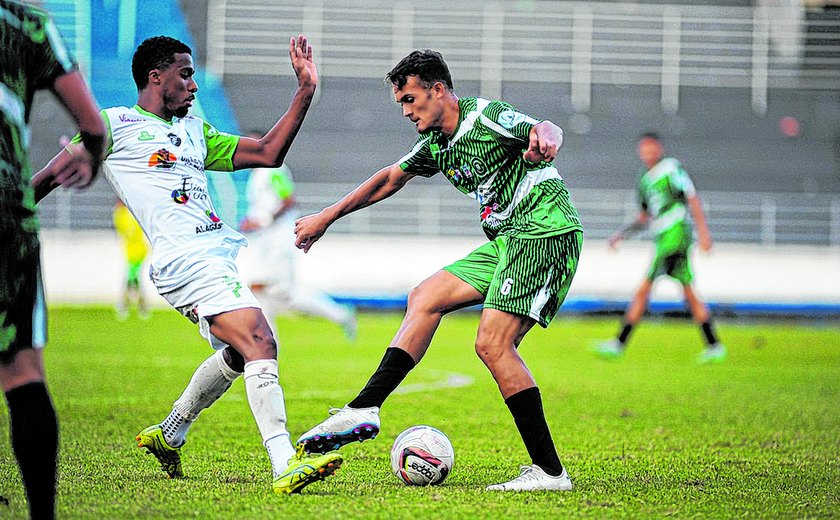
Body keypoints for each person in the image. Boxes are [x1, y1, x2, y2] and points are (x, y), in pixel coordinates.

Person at [33, 35, 341, 495]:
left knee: (241, 351)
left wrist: (304, 91)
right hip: (183, 260)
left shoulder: (195, 130)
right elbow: (42, 181)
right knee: (261, 339)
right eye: (185, 73)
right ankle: (283, 462)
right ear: (156, 78)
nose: (194, 84)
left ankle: (171, 429)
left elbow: (267, 153)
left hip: (216, 256)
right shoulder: (113, 125)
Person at [293, 50, 583, 491]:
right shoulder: (436, 145)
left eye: (411, 100)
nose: (407, 112)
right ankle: (364, 408)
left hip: (544, 230)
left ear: (438, 90)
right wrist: (325, 218)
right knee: (425, 297)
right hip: (509, 241)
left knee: (492, 343)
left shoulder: (483, 117)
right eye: (401, 104)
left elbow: (541, 127)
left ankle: (549, 473)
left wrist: (548, 135)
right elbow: (389, 178)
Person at [1, 1, 106, 518]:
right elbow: (92, 124)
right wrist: (89, 157)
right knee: (21, 369)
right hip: (5, 212)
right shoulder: (29, 25)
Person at [595, 132, 726, 363]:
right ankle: (714, 345)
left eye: (651, 148)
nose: (648, 153)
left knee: (644, 288)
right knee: (688, 290)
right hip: (662, 236)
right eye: (644, 149)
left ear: (659, 148)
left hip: (675, 235)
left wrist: (704, 234)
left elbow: (692, 198)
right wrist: (621, 235)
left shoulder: (671, 169)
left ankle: (619, 342)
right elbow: (645, 215)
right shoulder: (644, 179)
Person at [237, 140, 356, 339]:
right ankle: (265, 348)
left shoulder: (274, 170)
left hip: (279, 244)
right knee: (258, 290)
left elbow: (288, 200)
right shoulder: (256, 175)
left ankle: (340, 314)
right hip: (264, 244)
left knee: (286, 296)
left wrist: (263, 221)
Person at [112, 199, 150, 319]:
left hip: (139, 252)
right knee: (133, 280)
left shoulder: (130, 215)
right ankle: (140, 306)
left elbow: (133, 231)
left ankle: (125, 305)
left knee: (130, 279)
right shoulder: (120, 215)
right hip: (130, 253)